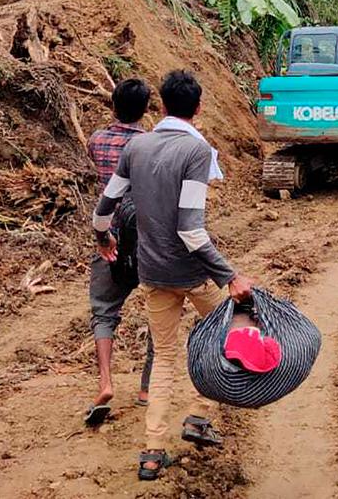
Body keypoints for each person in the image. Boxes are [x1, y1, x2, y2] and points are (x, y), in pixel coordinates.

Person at [91, 69, 253, 482]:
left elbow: (104, 207)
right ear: (197, 109)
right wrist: (229, 275)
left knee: (164, 358)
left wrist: (102, 239)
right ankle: (199, 415)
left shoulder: (138, 146)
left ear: (160, 106)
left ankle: (152, 451)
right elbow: (191, 228)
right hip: (192, 272)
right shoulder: (197, 152)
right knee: (224, 335)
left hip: (153, 272)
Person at [83, 78, 154, 428]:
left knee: (104, 311)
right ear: (146, 110)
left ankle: (106, 382)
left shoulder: (96, 140)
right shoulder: (150, 145)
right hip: (147, 239)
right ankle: (146, 388)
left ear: (113, 105)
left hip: (108, 236)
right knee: (161, 306)